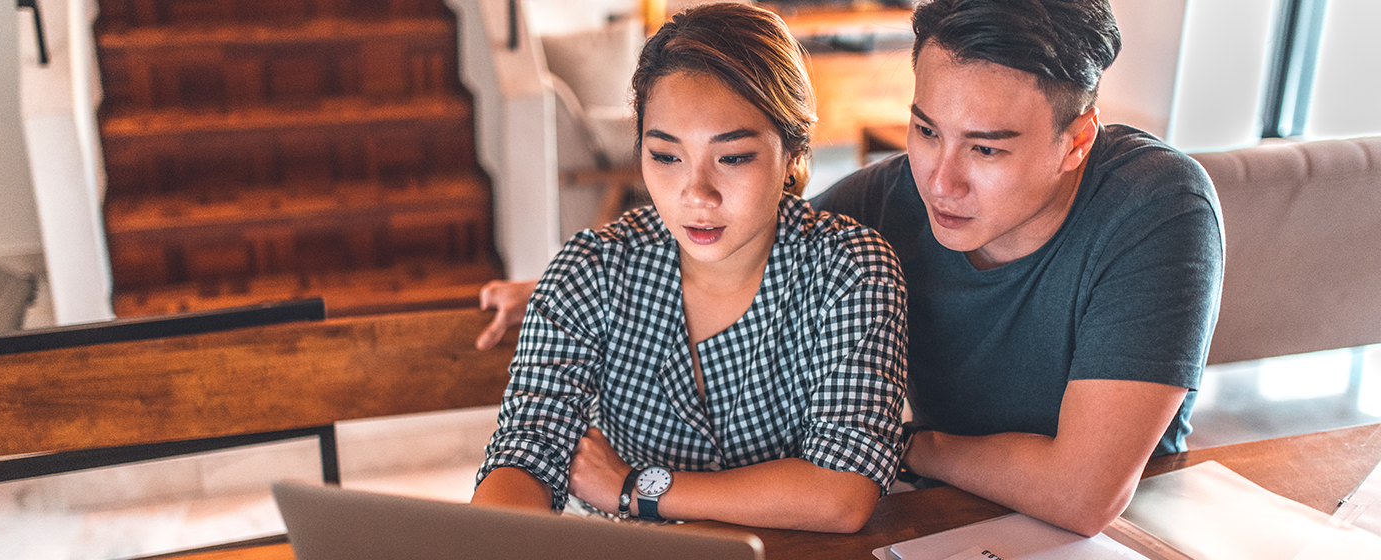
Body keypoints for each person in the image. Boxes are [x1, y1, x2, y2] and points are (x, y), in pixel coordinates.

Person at [476, 0, 1224, 537]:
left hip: (1118, 532)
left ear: (1076, 138)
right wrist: (558, 288)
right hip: (934, 520)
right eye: (925, 130)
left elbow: (1083, 494)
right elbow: (737, 234)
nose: (940, 179)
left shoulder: (1153, 205)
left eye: (986, 148)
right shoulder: (885, 201)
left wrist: (895, 447)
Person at [469, 3, 907, 534]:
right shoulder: (590, 272)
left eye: (733, 157)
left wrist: (636, 488)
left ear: (793, 151)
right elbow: (526, 452)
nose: (696, 194)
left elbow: (842, 493)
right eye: (666, 156)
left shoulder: (850, 271)